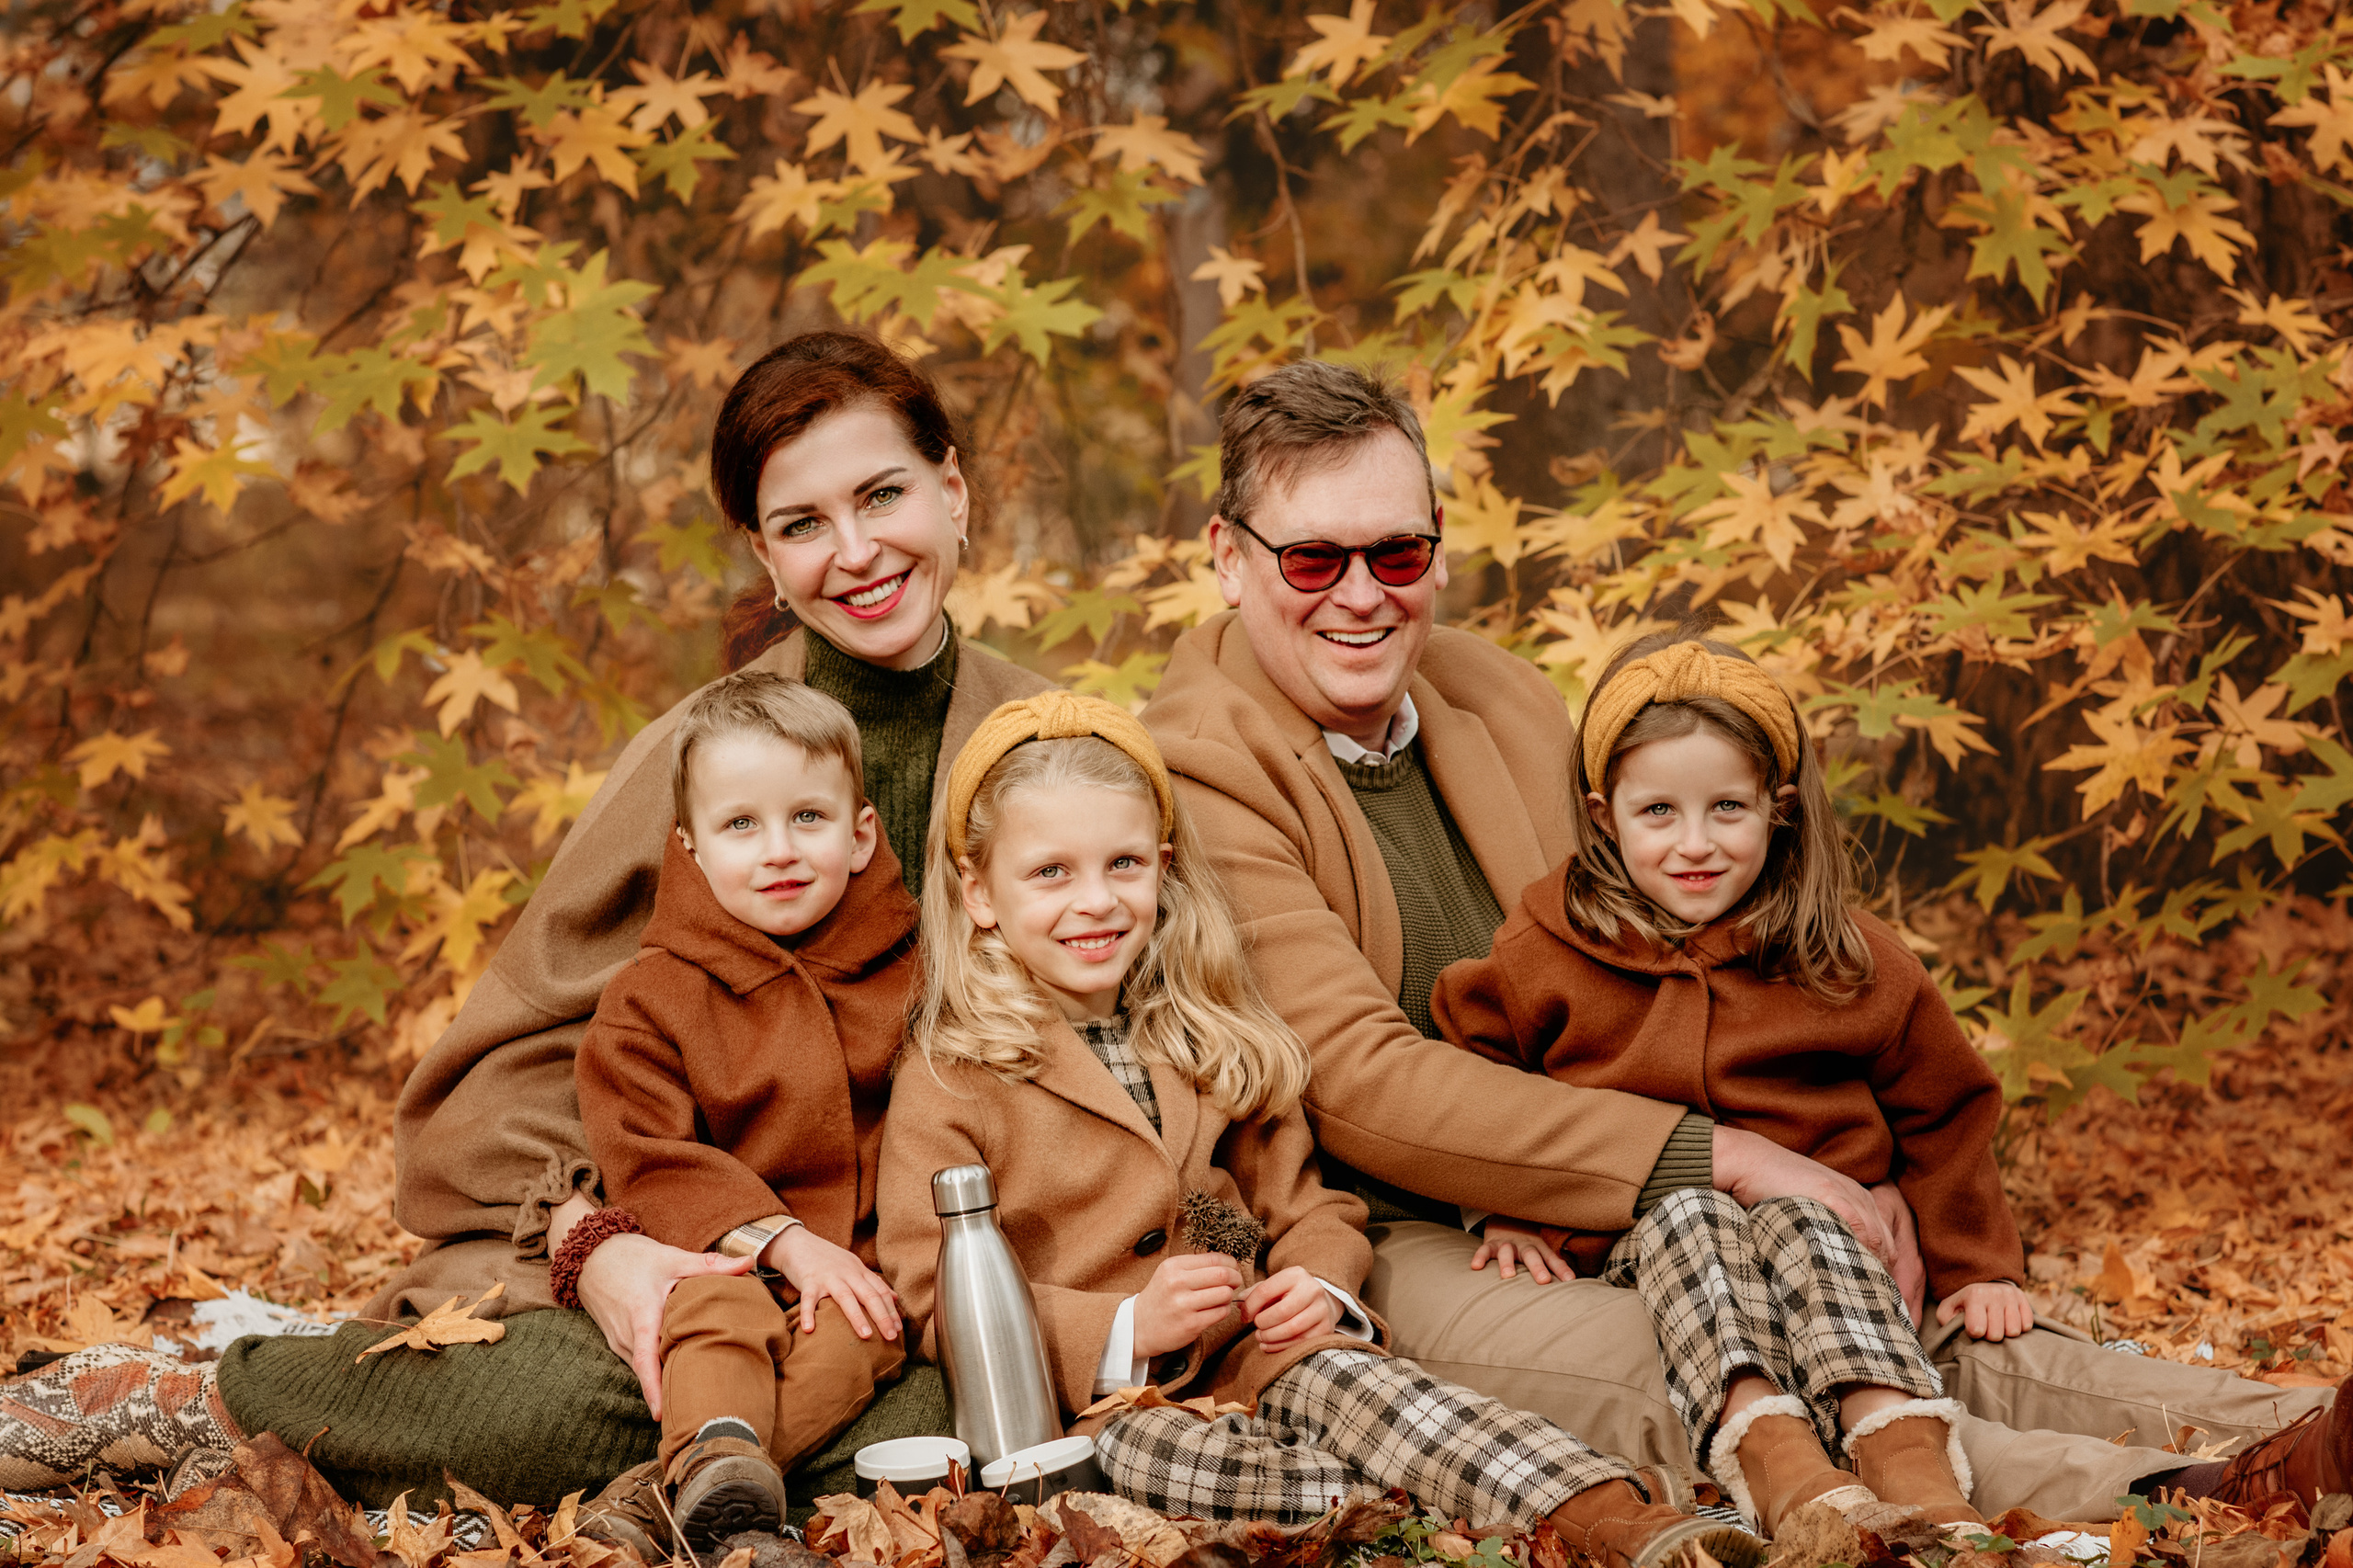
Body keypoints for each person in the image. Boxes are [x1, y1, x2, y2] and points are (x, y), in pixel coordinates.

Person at [1138, 358, 2347, 1521]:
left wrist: (1822, 1143)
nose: (1363, 594)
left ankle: (2296, 1427)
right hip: (1398, 1224)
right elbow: (1360, 1084)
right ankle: (2173, 1497)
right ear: (1228, 561)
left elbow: (1661, 950)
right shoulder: (1200, 760)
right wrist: (1739, 1157)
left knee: (1858, 1301)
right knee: (1734, 1360)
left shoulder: (1496, 694)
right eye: (1314, 556)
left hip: (1633, 1160)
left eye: (1398, 550)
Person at [0, 332, 1051, 1517]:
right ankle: (199, 1389)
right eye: (803, 523)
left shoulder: (1042, 746)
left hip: (908, 1280)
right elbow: (502, 1082)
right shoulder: (704, 761)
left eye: (882, 494)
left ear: (951, 492)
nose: (855, 551)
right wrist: (600, 1247)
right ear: (763, 554)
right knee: (588, 1393)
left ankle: (679, 1485)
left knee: (949, 1414)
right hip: (686, 1241)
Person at [877, 692, 1765, 1568]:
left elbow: (1305, 1205)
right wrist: (1121, 1326)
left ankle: (1618, 1520)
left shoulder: (1203, 1036)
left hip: (1260, 1352)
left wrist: (1316, 1285)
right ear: (979, 892)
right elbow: (930, 1294)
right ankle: (1427, 1520)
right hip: (1107, 1414)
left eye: (1124, 865)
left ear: (1165, 867)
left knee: (1382, 1396)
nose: (1097, 902)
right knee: (1203, 1472)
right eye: (1051, 874)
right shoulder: (953, 1076)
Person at [1430, 631, 2018, 1535]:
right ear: (1603, 815)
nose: (1694, 844)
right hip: (1640, 1236)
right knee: (1689, 1208)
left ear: (1778, 808)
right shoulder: (1541, 950)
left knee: (1810, 1215)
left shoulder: (1847, 957)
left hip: (1828, 1233)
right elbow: (1482, 1079)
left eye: (1728, 808)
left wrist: (1977, 1263)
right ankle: (1772, 1449)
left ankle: (1899, 1446)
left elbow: (1944, 1109)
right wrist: (1511, 1201)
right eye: (1658, 811)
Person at [574, 673, 915, 1551]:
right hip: (720, 1253)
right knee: (714, 1320)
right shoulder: (653, 994)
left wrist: (845, 1258)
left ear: (861, 834)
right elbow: (644, 1150)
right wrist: (778, 1240)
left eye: (809, 817)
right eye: (741, 826)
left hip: (866, 1264)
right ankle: (719, 1463)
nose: (780, 851)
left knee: (858, 1337)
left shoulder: (914, 969)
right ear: (689, 849)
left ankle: (675, 1496)